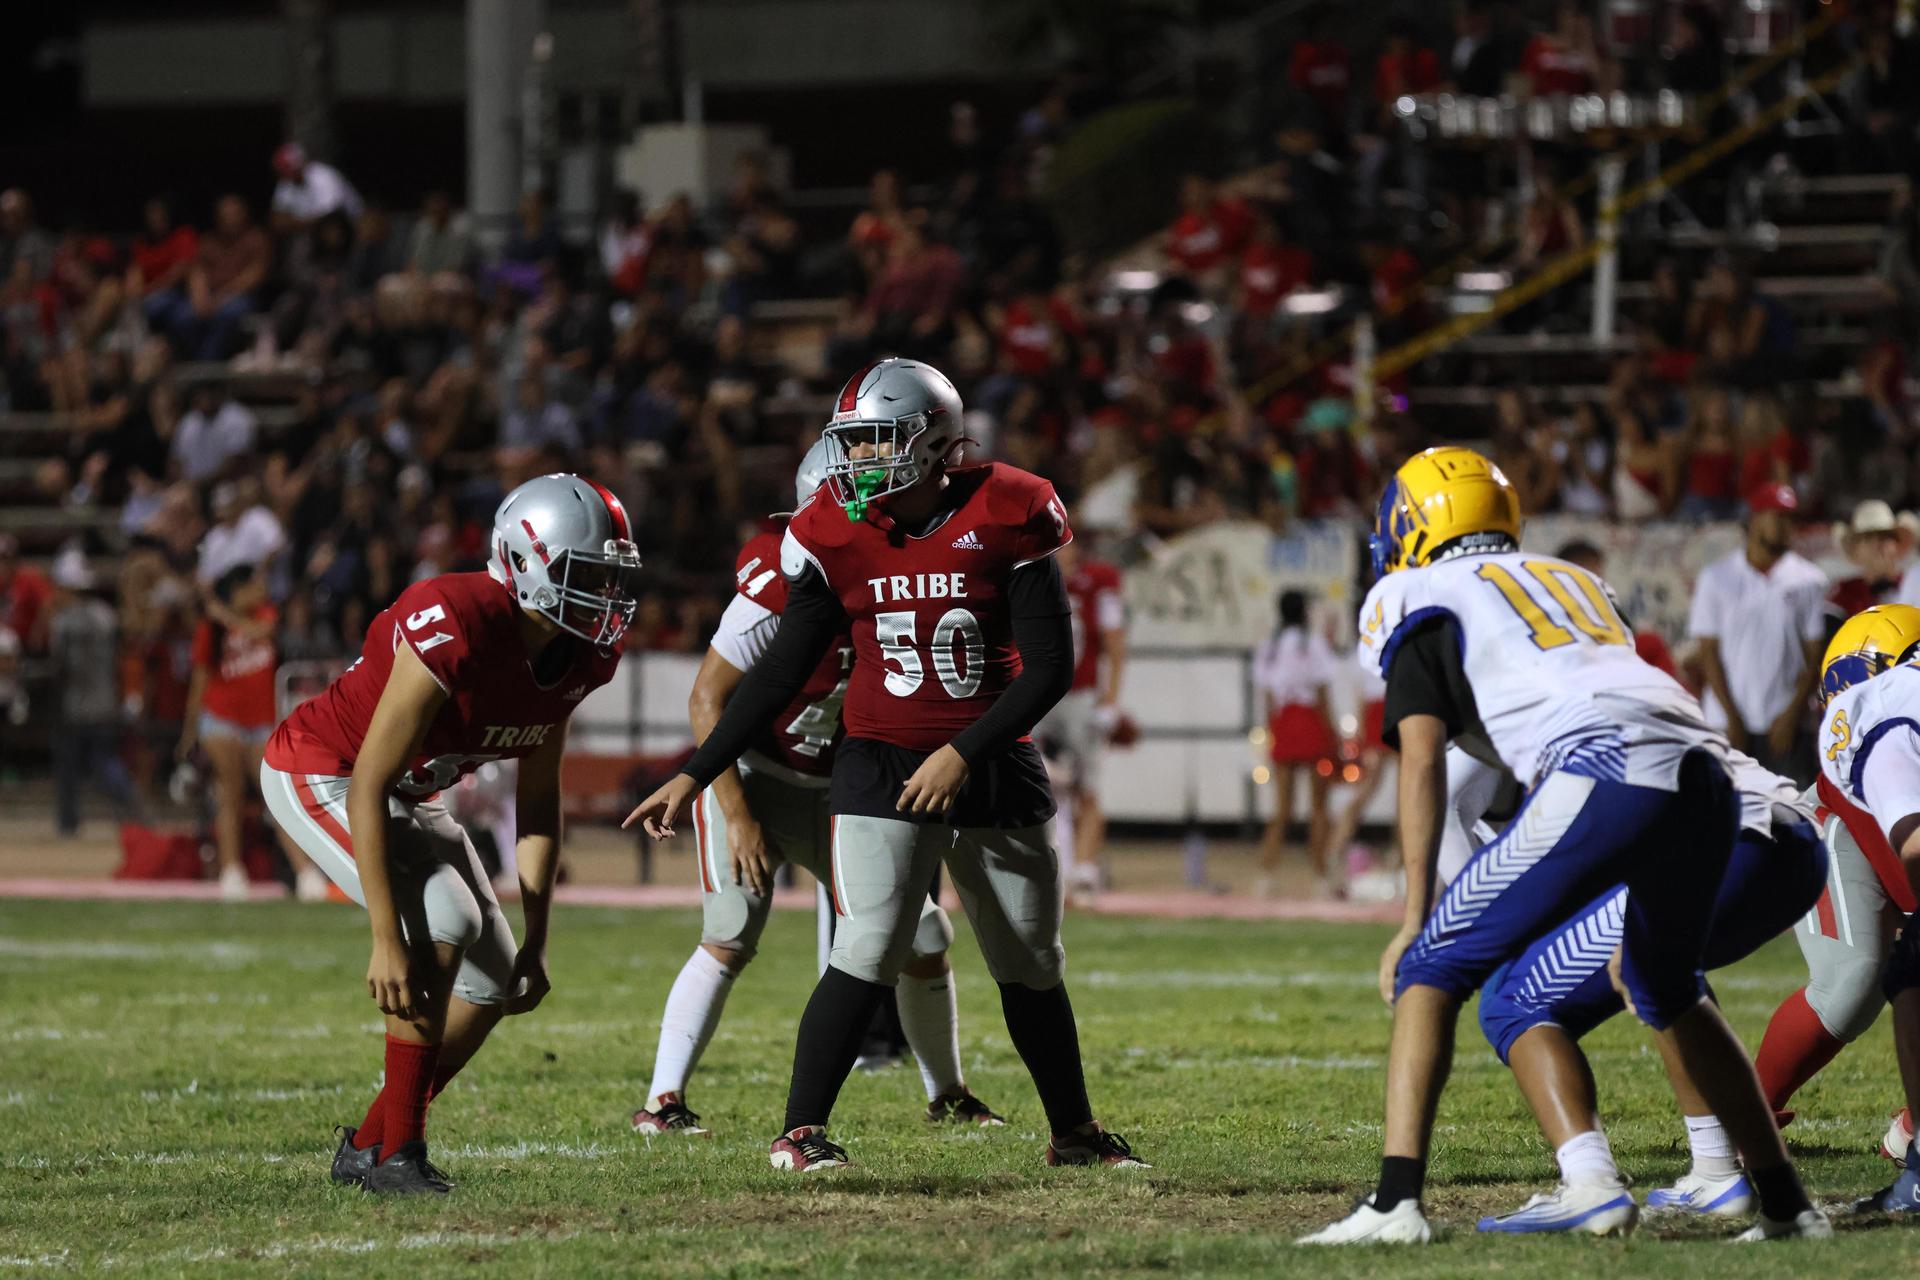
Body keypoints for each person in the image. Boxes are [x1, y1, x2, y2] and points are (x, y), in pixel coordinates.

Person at [627, 359, 1146, 1173]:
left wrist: (962, 751)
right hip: (876, 761)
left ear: (936, 440)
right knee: (867, 944)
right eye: (853, 442)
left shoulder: (1009, 504)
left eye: (877, 440)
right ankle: (800, 1132)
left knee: (1030, 961)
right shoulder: (831, 526)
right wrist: (699, 770)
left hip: (992, 758)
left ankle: (1074, 1134)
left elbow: (1050, 667)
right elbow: (774, 672)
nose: (859, 460)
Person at [1301, 447, 1826, 1244]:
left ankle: (1395, 1204)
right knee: (1666, 982)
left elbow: (1421, 757)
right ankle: (1786, 1205)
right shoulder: (1574, 579)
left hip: (1607, 768)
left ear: (1413, 528)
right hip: (1713, 776)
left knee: (1432, 965)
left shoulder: (1414, 593)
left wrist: (1414, 912)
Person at [259, 473, 640, 1194]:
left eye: (613, 576)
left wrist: (537, 937)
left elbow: (537, 797)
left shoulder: (580, 657)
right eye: (589, 574)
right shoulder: (455, 618)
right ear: (527, 563)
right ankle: (398, 1156)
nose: (607, 596)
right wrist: (382, 935)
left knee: (493, 980)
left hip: (409, 788)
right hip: (327, 771)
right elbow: (369, 780)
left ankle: (370, 1143)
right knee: (449, 916)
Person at [632, 440, 1001, 1138]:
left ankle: (946, 1092)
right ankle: (662, 1101)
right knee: (732, 929)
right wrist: (736, 814)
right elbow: (709, 699)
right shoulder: (780, 574)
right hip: (759, 777)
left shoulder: (901, 570)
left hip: (838, 789)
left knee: (923, 932)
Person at [1465, 749, 1823, 1232]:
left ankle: (1590, 1187)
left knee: (1513, 997)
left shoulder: (1543, 719)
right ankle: (1738, 1183)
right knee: (1662, 979)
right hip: (1796, 848)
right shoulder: (1620, 691)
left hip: (1716, 846)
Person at [1808, 604, 1920, 1212]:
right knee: (1886, 970)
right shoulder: (1891, 708)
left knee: (1907, 968)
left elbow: (1913, 847)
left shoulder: (1875, 712)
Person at [179, 564, 327, 903]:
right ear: (237, 590)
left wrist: (223, 613)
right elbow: (200, 680)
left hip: (261, 722)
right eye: (252, 585)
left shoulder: (262, 614)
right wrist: (188, 733)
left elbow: (262, 633)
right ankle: (232, 871)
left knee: (276, 796)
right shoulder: (210, 630)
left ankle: (305, 872)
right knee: (228, 794)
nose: (261, 589)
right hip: (220, 718)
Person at [1687, 483, 1829, 782]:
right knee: (1726, 817)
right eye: (1774, 515)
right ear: (1754, 519)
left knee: (1791, 816)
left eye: (1788, 518)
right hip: (1727, 722)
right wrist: (1732, 718)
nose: (1782, 525)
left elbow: (1815, 654)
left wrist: (1794, 713)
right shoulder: (1717, 577)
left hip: (1784, 724)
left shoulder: (1809, 580)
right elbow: (1708, 653)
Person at [1037, 538, 1126, 897]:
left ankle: (1087, 868)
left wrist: (1110, 700)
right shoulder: (1031, 575)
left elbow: (1115, 643)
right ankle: (1044, 866)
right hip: (1038, 695)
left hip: (1081, 694)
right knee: (1031, 783)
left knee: (1088, 783)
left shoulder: (1098, 582)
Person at [47, 552, 141, 837]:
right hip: (105, 701)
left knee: (69, 766)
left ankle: (68, 823)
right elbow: (118, 659)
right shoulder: (106, 616)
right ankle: (133, 810)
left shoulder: (62, 622)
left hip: (75, 705)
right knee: (105, 762)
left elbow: (59, 666)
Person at [1252, 590, 1337, 898]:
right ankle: (1321, 878)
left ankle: (1265, 875)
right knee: (1318, 809)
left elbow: (1267, 699)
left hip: (1283, 724)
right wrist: (1333, 735)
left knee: (1282, 810)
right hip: (1311, 722)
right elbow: (1324, 694)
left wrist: (1271, 732)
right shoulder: (1312, 644)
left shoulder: (1269, 647)